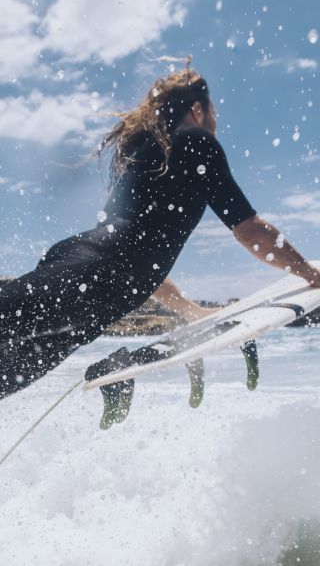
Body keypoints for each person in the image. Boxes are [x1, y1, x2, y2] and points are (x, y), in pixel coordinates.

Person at [1, 66, 320, 403]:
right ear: (198, 109)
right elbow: (249, 230)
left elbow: (137, 258)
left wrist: (188, 310)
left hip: (90, 287)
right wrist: (309, 273)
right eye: (214, 111)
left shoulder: (149, 158)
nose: (215, 119)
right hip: (87, 279)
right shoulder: (198, 142)